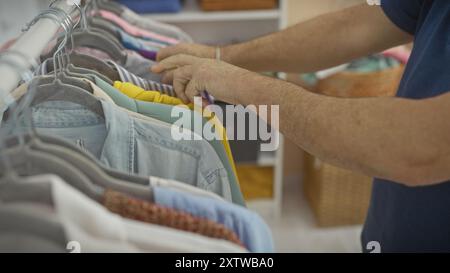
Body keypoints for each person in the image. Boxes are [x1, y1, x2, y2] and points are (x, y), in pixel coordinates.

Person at [151, 0, 450, 252]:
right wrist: (222, 56)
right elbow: (360, 25)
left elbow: (422, 146)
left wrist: (239, 83)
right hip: (387, 232)